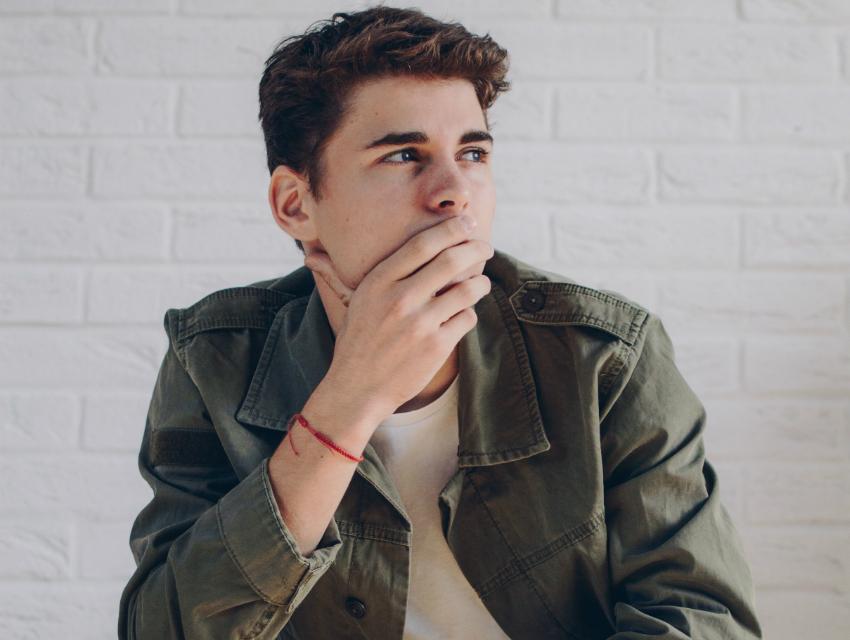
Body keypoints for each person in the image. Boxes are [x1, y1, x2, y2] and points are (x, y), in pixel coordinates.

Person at [118, 6, 763, 639]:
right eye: (404, 155)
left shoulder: (605, 356)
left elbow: (704, 621)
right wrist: (350, 399)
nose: (455, 192)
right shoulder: (213, 357)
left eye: (473, 153)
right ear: (296, 205)